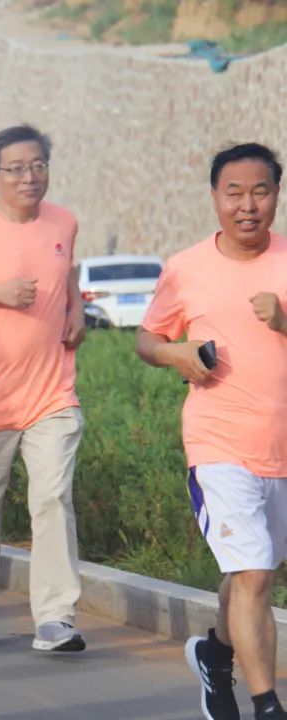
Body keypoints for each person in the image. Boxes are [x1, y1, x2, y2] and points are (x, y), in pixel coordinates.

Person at [137, 142, 287, 720]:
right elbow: (148, 339)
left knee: (251, 574)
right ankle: (267, 704)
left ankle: (215, 653)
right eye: (234, 193)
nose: (248, 205)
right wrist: (176, 353)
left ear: (276, 195)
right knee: (253, 573)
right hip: (218, 442)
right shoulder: (187, 267)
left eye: (260, 191)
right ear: (214, 198)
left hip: (280, 447)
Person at [0, 125, 87, 653]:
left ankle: (56, 617)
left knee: (53, 498)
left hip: (52, 393)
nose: (29, 177)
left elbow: (66, 268)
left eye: (38, 166)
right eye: (16, 169)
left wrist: (75, 308)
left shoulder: (64, 221)